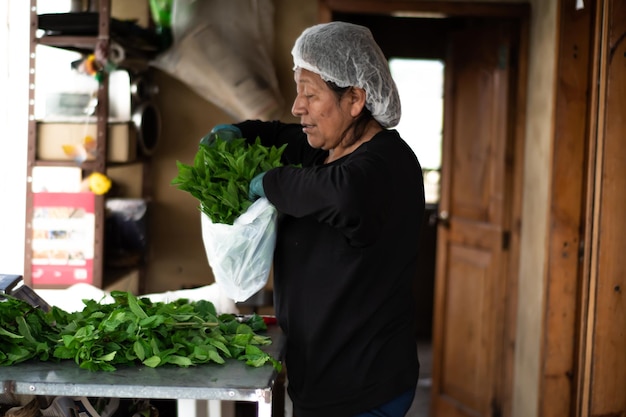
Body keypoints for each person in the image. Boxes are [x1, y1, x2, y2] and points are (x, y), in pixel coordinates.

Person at [207, 21, 425, 417]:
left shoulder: (387, 164)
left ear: (355, 99)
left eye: (310, 94)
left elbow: (340, 193)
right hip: (321, 377)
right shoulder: (321, 148)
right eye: (297, 92)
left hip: (363, 387)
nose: (297, 106)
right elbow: (273, 133)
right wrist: (234, 132)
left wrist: (268, 181)